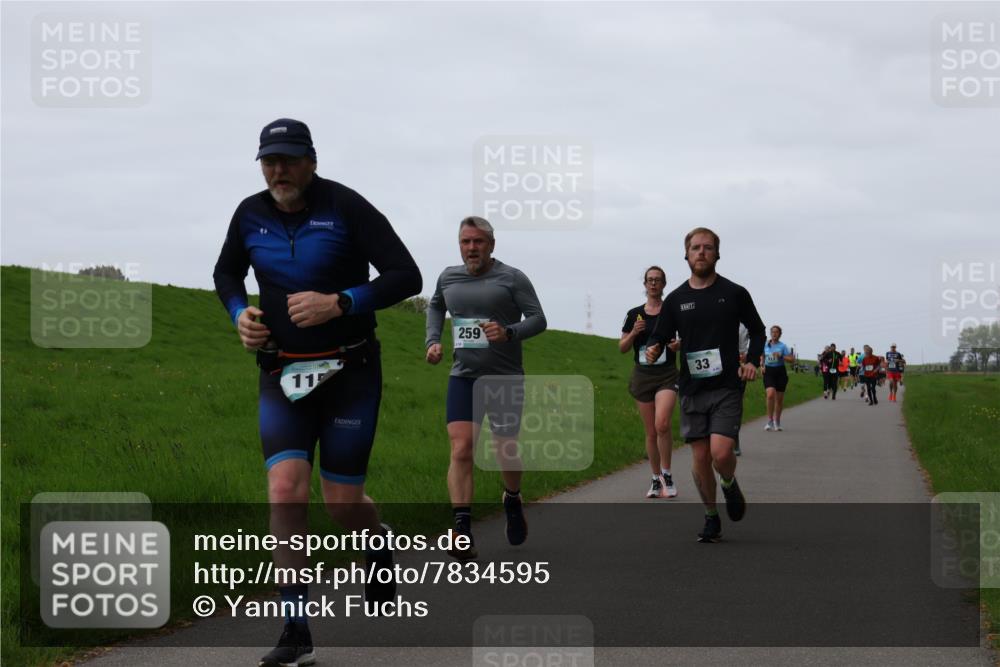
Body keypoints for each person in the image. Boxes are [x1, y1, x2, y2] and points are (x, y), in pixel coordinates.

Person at [213, 118, 423, 667]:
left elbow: (406, 275)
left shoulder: (347, 207)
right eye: (268, 160)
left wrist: (343, 302)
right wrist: (241, 315)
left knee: (341, 502)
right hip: (282, 372)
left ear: (311, 160)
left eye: (287, 159)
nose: (277, 170)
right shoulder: (248, 214)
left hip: (350, 372)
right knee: (285, 490)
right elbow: (226, 274)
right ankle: (295, 628)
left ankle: (378, 548)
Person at [425, 216, 547, 560]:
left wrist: (509, 332)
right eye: (465, 242)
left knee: (504, 449)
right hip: (463, 376)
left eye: (478, 242)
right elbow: (435, 305)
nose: (471, 248)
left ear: (491, 245)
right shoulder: (448, 277)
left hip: (504, 377)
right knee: (461, 448)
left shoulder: (512, 277)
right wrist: (433, 341)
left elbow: (538, 319)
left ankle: (511, 497)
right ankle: (461, 529)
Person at [646, 227, 765, 543]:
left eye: (708, 247)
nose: (701, 252)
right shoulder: (676, 299)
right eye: (695, 247)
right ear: (686, 255)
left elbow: (758, 330)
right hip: (692, 388)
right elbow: (661, 332)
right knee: (700, 458)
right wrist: (655, 346)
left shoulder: (735, 293)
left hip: (726, 385)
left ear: (717, 254)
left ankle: (728, 481)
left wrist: (751, 360)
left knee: (720, 452)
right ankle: (711, 516)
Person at [620, 266, 680, 497]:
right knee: (651, 432)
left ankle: (667, 474)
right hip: (643, 375)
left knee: (662, 424)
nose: (653, 284)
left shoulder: (672, 312)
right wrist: (634, 333)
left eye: (658, 280)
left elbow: (684, 339)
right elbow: (622, 348)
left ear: (664, 284)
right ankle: (655, 479)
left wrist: (678, 345)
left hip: (666, 374)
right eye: (650, 280)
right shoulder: (634, 314)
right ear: (644, 284)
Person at [762, 325, 795, 431]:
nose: (774, 334)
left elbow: (791, 359)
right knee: (770, 394)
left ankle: (777, 421)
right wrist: (761, 365)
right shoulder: (766, 345)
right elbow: (761, 355)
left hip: (780, 372)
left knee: (779, 400)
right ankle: (770, 420)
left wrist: (781, 356)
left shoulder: (783, 346)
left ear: (780, 334)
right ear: (770, 333)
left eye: (776, 332)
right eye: (772, 332)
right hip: (769, 372)